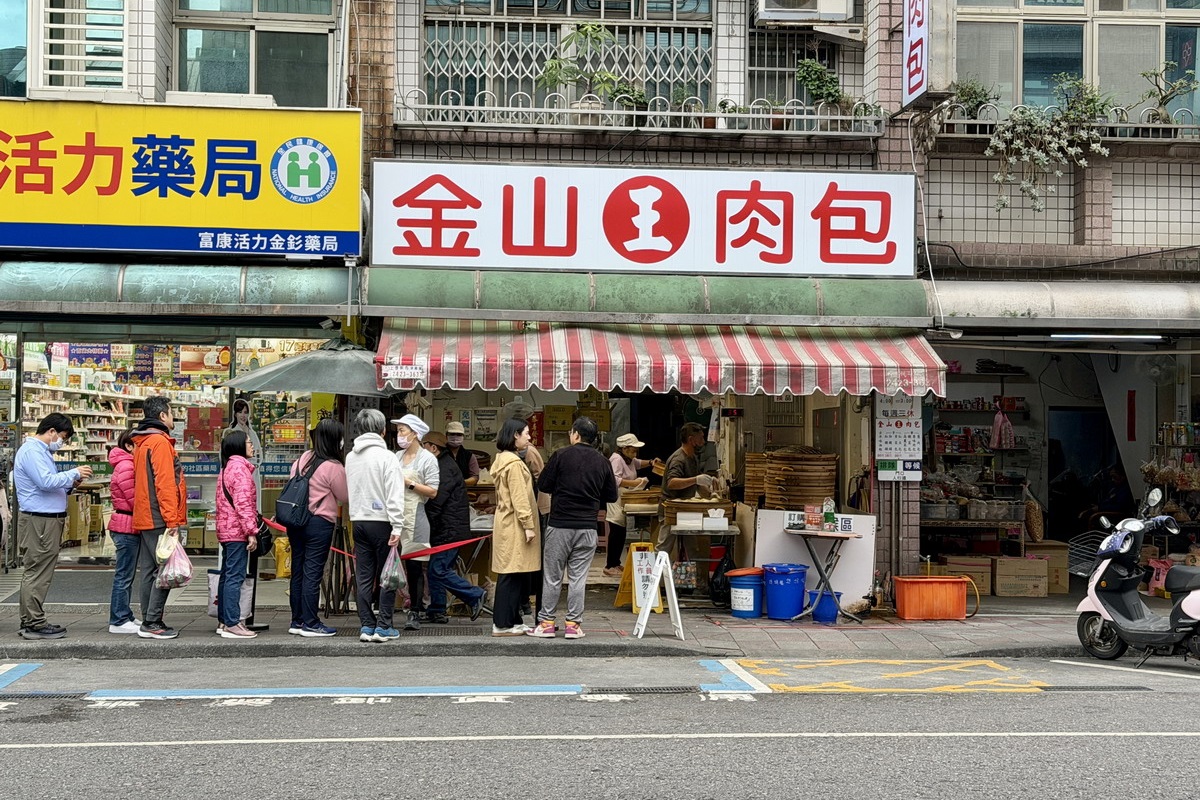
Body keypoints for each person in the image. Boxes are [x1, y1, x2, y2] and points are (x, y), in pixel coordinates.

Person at [528, 416, 618, 640]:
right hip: (587, 527)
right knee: (578, 578)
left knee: (553, 576)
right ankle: (573, 625)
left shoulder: (561, 455)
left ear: (576, 434)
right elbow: (611, 495)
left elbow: (544, 485)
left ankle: (546, 623)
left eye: (571, 432)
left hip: (560, 525)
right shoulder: (603, 461)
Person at [13, 413, 92, 639]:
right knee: (38, 571)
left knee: (39, 570)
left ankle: (31, 620)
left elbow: (46, 485)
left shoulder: (40, 452)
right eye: (63, 437)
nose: (62, 442)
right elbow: (45, 482)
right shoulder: (32, 451)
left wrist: (70, 484)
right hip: (40, 521)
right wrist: (73, 472)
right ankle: (34, 623)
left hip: (44, 519)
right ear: (51, 431)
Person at [346, 408, 406, 643]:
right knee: (388, 574)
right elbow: (394, 494)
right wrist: (397, 526)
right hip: (383, 522)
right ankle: (384, 626)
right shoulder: (387, 457)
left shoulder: (351, 457)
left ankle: (366, 625)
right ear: (382, 430)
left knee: (363, 575)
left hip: (358, 520)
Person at [131, 396, 187, 640]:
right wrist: (172, 521)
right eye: (171, 412)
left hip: (145, 514)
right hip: (159, 517)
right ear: (163, 416)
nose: (173, 417)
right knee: (165, 570)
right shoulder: (160, 442)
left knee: (149, 570)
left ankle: (148, 618)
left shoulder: (142, 442)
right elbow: (165, 484)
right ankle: (153, 621)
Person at [285, 418, 348, 638]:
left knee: (298, 571)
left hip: (295, 521)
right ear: (334, 439)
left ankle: (297, 620)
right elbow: (344, 496)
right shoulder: (333, 466)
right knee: (312, 572)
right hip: (319, 523)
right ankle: (311, 622)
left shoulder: (302, 459)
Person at [422, 431, 487, 624]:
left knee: (438, 570)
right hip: (447, 527)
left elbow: (436, 501)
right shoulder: (443, 464)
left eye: (424, 447)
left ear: (433, 448)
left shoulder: (444, 468)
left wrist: (425, 522)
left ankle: (475, 594)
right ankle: (437, 610)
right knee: (437, 569)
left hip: (448, 529)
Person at [490, 417, 541, 636]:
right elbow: (520, 498)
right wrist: (528, 525)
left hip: (506, 522)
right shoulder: (514, 465)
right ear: (515, 435)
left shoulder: (502, 460)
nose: (529, 437)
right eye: (526, 433)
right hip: (516, 525)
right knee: (511, 573)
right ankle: (503, 623)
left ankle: (513, 620)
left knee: (513, 572)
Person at [392, 413, 439, 631]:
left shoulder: (427, 459)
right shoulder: (396, 456)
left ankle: (415, 610)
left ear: (415, 433)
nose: (399, 435)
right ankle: (386, 607)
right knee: (390, 562)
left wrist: (409, 483)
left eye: (402, 430)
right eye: (398, 431)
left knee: (415, 566)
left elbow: (433, 491)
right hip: (394, 514)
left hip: (416, 515)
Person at [215, 429, 260, 639]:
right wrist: (251, 532)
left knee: (227, 575)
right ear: (239, 446)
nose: (252, 446)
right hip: (236, 531)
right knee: (235, 576)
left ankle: (224, 621)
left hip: (226, 529)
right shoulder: (240, 470)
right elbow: (243, 504)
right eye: (249, 442)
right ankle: (233, 623)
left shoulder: (227, 468)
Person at [657, 421, 714, 555]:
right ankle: (657, 569)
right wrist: (695, 479)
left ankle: (692, 569)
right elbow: (672, 482)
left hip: (686, 509)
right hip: (671, 509)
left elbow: (697, 483)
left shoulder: (692, 457)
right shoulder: (679, 459)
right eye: (701, 438)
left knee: (692, 549)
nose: (703, 442)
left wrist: (711, 494)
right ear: (691, 440)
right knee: (664, 548)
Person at [107, 428, 143, 634]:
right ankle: (118, 619)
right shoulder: (127, 466)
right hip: (126, 525)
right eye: (139, 444)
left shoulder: (127, 464)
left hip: (127, 525)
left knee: (126, 574)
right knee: (124, 575)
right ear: (129, 446)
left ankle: (125, 614)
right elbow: (134, 499)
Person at [604, 432, 653, 577]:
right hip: (616, 497)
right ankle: (609, 565)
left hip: (625, 496)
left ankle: (616, 562)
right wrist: (635, 483)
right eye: (633, 450)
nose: (635, 453)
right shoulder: (617, 459)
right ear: (624, 449)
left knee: (621, 531)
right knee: (616, 530)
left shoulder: (628, 459)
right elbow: (615, 480)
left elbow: (638, 463)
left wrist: (651, 462)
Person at [228, 398, 263, 500]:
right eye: (240, 412)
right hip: (238, 476)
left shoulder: (253, 433)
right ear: (235, 414)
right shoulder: (231, 432)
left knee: (254, 503)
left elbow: (259, 456)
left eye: (245, 412)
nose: (243, 415)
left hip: (253, 475)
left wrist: (254, 463)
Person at [445, 421, 480, 486]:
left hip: (464, 490)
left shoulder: (469, 456)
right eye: (452, 434)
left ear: (463, 436)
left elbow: (475, 478)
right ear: (446, 436)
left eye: (459, 434)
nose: (455, 437)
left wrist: (459, 483)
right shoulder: (440, 454)